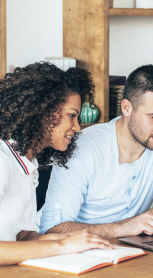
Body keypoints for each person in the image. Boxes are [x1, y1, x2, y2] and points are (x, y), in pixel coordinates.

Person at [39, 65, 153, 238]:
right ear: (126, 108)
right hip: (78, 253)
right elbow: (53, 229)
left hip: (132, 249)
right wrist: (125, 228)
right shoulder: (82, 146)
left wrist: (136, 225)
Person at [0, 63, 114, 265]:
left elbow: (22, 237)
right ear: (41, 111)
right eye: (72, 115)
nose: (77, 127)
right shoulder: (2, 159)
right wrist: (62, 246)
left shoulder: (28, 162)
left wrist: (73, 239)